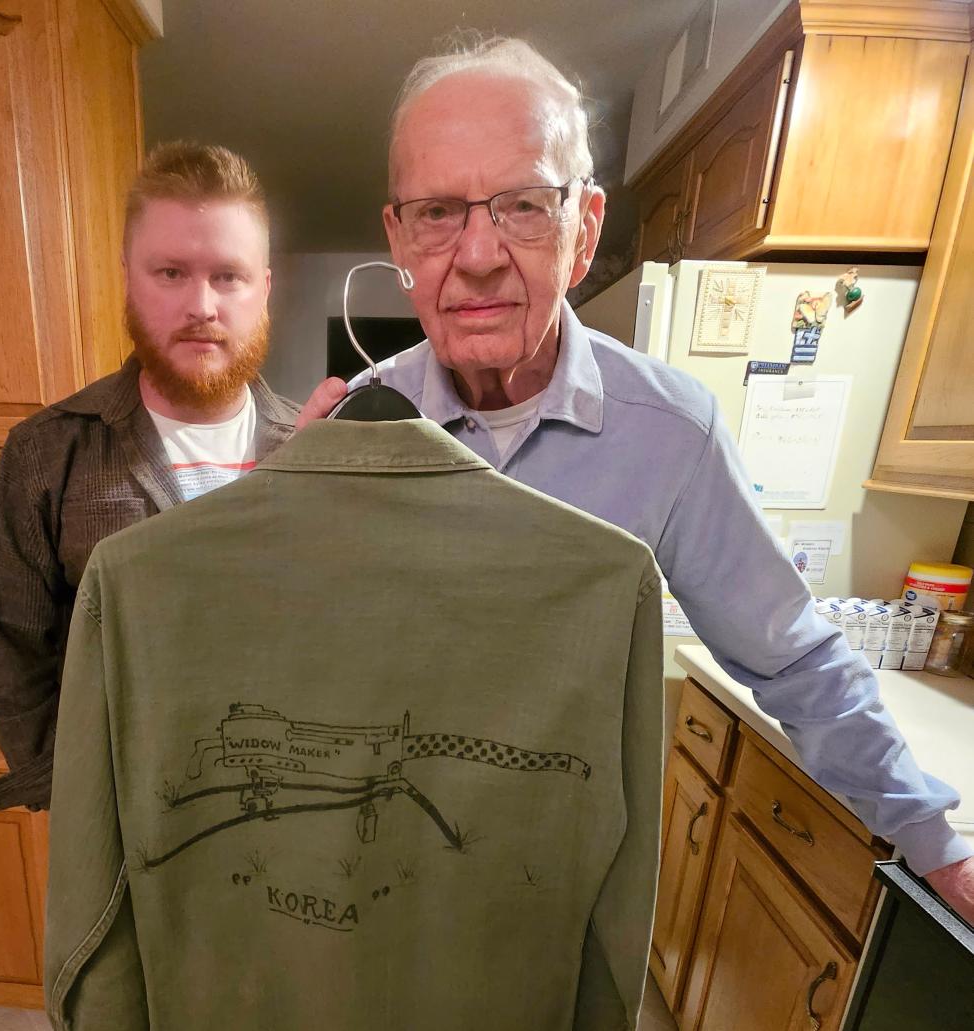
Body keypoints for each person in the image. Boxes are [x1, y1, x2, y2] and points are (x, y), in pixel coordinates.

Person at [297, 36, 974, 922]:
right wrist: (286, 525)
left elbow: (796, 658)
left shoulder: (673, 433)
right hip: (371, 869)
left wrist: (938, 844)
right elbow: (302, 668)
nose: (477, 254)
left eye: (524, 205)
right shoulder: (353, 427)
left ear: (583, 229)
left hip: (556, 885)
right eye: (437, 211)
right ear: (399, 239)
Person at [0, 141, 298, 813]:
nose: (202, 304)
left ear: (263, 288)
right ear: (128, 276)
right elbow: (10, 654)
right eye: (171, 271)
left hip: (284, 815)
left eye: (228, 275)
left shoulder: (314, 454)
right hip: (117, 821)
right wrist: (72, 798)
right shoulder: (44, 454)